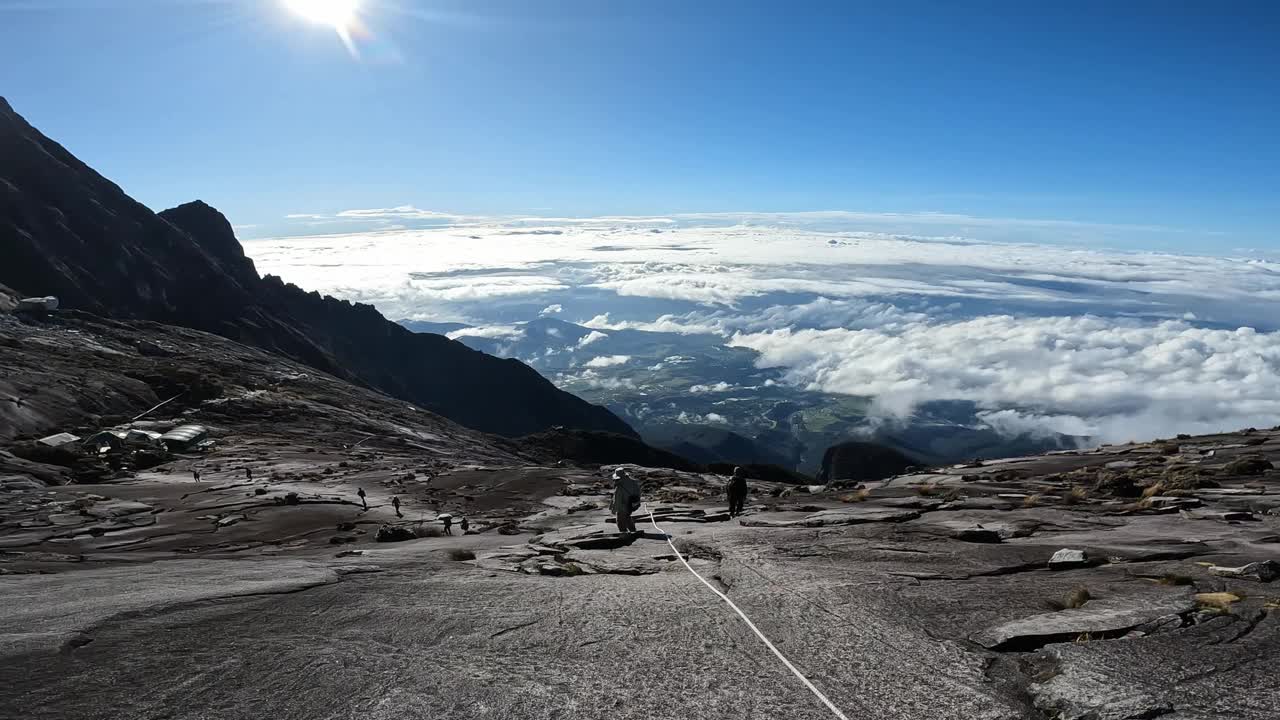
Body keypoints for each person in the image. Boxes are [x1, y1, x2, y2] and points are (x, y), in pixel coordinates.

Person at [611, 468, 641, 534]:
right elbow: (638, 493)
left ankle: (624, 534)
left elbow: (617, 500)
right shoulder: (633, 482)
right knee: (627, 517)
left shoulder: (619, 486)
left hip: (622, 506)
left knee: (620, 521)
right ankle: (633, 531)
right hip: (632, 504)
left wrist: (614, 509)